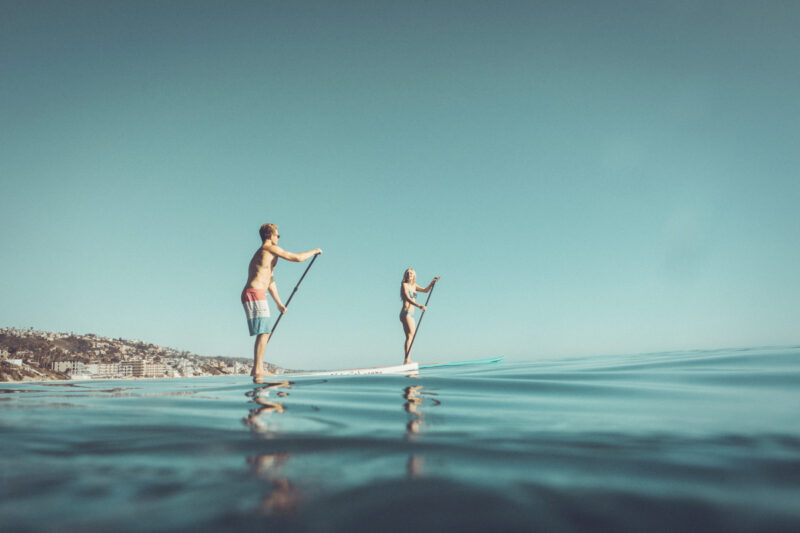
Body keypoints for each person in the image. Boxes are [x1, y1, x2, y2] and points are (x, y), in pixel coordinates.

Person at [242, 223, 321, 380]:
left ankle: (257, 368)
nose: (278, 237)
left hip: (255, 292)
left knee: (265, 331)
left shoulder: (266, 254)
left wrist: (279, 303)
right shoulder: (269, 249)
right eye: (277, 235)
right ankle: (258, 369)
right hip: (255, 292)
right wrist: (315, 251)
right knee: (264, 332)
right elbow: (296, 258)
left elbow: (270, 280)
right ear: (270, 236)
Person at [399, 268, 440, 364]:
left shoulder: (414, 286)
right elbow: (407, 298)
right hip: (405, 313)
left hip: (410, 314)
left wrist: (432, 283)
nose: (409, 274)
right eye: (407, 273)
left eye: (411, 273)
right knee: (410, 336)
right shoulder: (404, 285)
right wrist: (419, 306)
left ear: (414, 276)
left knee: (411, 336)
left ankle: (407, 359)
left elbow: (425, 290)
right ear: (405, 275)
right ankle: (407, 360)